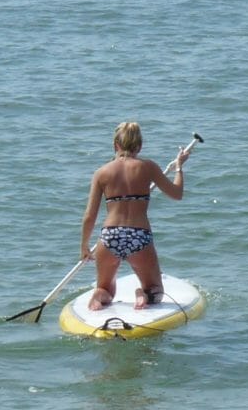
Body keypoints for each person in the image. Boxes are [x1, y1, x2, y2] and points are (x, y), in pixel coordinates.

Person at [78, 122, 191, 311]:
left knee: (106, 288)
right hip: (139, 236)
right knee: (155, 292)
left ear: (116, 145)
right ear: (139, 146)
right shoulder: (148, 167)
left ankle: (100, 294)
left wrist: (84, 246)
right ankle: (143, 294)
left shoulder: (101, 173)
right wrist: (179, 167)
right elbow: (176, 194)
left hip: (109, 237)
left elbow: (90, 215)